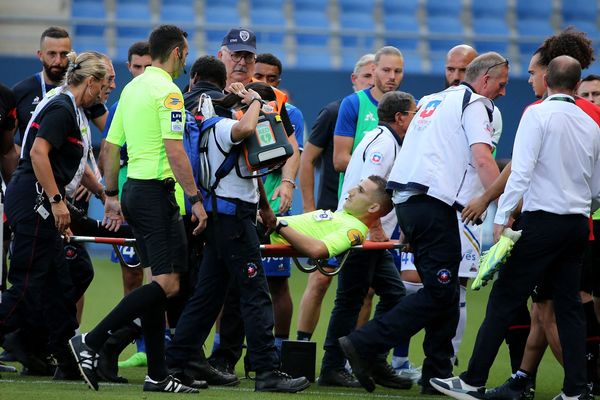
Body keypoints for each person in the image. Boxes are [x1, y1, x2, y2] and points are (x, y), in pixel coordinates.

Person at [431, 55, 599, 400]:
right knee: (569, 308)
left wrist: (500, 218)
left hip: (540, 223)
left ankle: (473, 380)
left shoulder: (537, 115)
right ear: (577, 84)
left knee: (505, 299)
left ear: (548, 80)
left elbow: (520, 171)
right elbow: (597, 188)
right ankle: (576, 390)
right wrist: (581, 210)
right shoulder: (591, 125)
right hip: (577, 224)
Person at [338, 52, 504, 395]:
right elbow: (483, 157)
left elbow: (412, 151)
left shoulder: (430, 101)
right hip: (434, 205)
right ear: (485, 79)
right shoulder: (475, 103)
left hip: (410, 202)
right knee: (441, 290)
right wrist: (503, 206)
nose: (502, 92)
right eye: (501, 84)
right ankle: (365, 342)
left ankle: (436, 375)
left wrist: (407, 223)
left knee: (440, 289)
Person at [70, 24, 208, 394]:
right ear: (178, 52)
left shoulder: (132, 89)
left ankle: (157, 375)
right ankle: (92, 341)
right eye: (186, 52)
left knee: (157, 284)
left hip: (134, 192)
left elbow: (109, 148)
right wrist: (195, 199)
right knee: (169, 283)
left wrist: (112, 195)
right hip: (156, 195)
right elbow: (175, 151)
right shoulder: (170, 93)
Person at [164, 82, 310, 393]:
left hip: (226, 218)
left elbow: (249, 172)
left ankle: (175, 363)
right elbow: (245, 128)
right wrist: (256, 99)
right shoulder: (222, 127)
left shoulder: (211, 129)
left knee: (207, 297)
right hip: (233, 221)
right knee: (256, 294)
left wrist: (265, 207)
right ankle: (267, 370)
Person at [1, 51, 108, 381]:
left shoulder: (72, 109)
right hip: (34, 197)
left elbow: (76, 164)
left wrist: (105, 194)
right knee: (26, 284)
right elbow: (37, 153)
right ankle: (39, 347)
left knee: (63, 281)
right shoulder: (62, 108)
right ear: (89, 83)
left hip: (40, 198)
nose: (107, 93)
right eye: (104, 86)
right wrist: (58, 200)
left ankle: (66, 359)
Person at [318, 91, 416, 389]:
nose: (416, 119)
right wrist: (373, 227)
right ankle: (342, 364)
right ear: (399, 118)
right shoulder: (385, 144)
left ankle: (366, 357)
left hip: (365, 231)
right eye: (412, 114)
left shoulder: (380, 137)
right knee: (353, 300)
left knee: (389, 295)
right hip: (364, 232)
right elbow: (370, 185)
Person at [296, 53, 375, 343]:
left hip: (363, 216)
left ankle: (350, 352)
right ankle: (300, 346)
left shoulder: (390, 115)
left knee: (365, 290)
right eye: (367, 76)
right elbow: (308, 160)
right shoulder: (334, 111)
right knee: (319, 281)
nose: (373, 81)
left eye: (374, 75)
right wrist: (308, 208)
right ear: (354, 80)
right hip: (331, 211)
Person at [94, 41, 151, 382]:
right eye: (136, 67)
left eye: (148, 66)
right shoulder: (121, 105)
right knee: (133, 275)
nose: (142, 73)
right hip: (131, 195)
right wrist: (108, 190)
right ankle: (140, 347)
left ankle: (163, 345)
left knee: (166, 278)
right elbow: (108, 149)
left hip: (160, 197)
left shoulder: (167, 99)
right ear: (129, 68)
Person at [253, 52, 305, 355]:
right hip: (241, 203)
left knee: (277, 282)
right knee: (229, 284)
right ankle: (224, 348)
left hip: (274, 204)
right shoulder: (235, 107)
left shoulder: (291, 113)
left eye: (271, 79)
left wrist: (286, 185)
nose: (264, 83)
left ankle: (280, 347)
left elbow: (292, 155)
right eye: (259, 77)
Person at [333, 46, 404, 193]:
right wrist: (381, 169)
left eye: (397, 71)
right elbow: (340, 160)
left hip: (394, 204)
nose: (392, 76)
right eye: (386, 70)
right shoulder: (354, 103)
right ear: (374, 69)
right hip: (355, 200)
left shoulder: (411, 107)